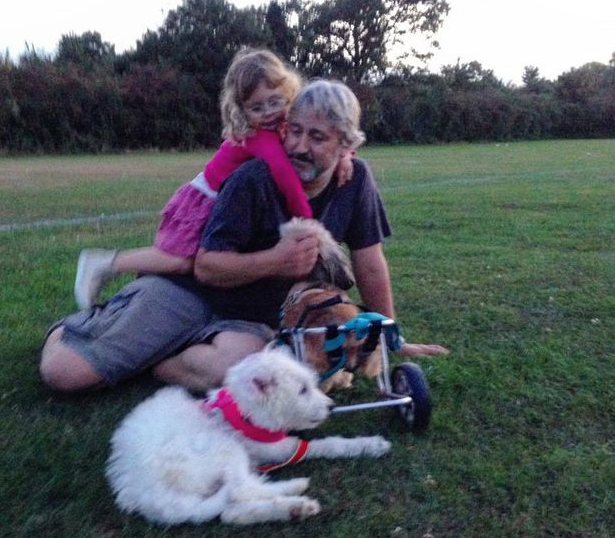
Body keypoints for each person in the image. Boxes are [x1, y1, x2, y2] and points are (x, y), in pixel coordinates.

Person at [40, 79, 447, 394]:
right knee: (66, 375)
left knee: (262, 376)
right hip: (186, 292)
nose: (300, 146)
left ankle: (158, 355)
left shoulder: (355, 180)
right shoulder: (252, 178)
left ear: (346, 144)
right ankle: (79, 325)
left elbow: (369, 260)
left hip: (251, 318)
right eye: (296, 131)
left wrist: (390, 333)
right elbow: (205, 266)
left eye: (318, 137)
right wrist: (277, 260)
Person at [73, 48, 351, 310]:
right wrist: (309, 222)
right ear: (241, 110)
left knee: (187, 260)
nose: (268, 113)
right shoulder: (260, 139)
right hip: (206, 197)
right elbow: (286, 177)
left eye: (275, 102)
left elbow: (324, 123)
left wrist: (345, 154)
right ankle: (108, 262)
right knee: (184, 261)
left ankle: (132, 278)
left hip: (220, 193)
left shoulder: (283, 124)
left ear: (288, 93)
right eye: (256, 107)